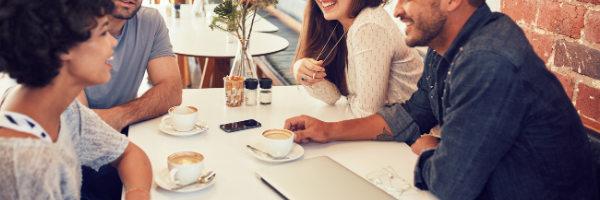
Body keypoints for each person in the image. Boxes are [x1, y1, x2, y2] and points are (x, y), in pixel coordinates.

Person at [285, 0, 598, 198]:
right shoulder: (443, 47)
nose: (396, 10)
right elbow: (412, 114)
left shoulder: (487, 60)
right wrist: (328, 131)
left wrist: (431, 153)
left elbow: (452, 185)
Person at [0, 0, 152, 199]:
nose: (113, 42)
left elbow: (129, 153)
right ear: (64, 46)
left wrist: (137, 193)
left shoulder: (65, 108)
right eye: (103, 32)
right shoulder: (23, 165)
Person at [75, 0, 182, 198]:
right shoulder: (66, 26)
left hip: (120, 137)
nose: (113, 46)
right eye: (100, 36)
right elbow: (82, 130)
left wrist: (117, 117)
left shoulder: (150, 21)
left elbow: (172, 90)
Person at [293, 0, 424, 118]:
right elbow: (332, 97)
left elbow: (369, 114)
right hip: (392, 135)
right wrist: (302, 70)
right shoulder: (338, 26)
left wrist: (351, 99)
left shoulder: (368, 26)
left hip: (417, 139)